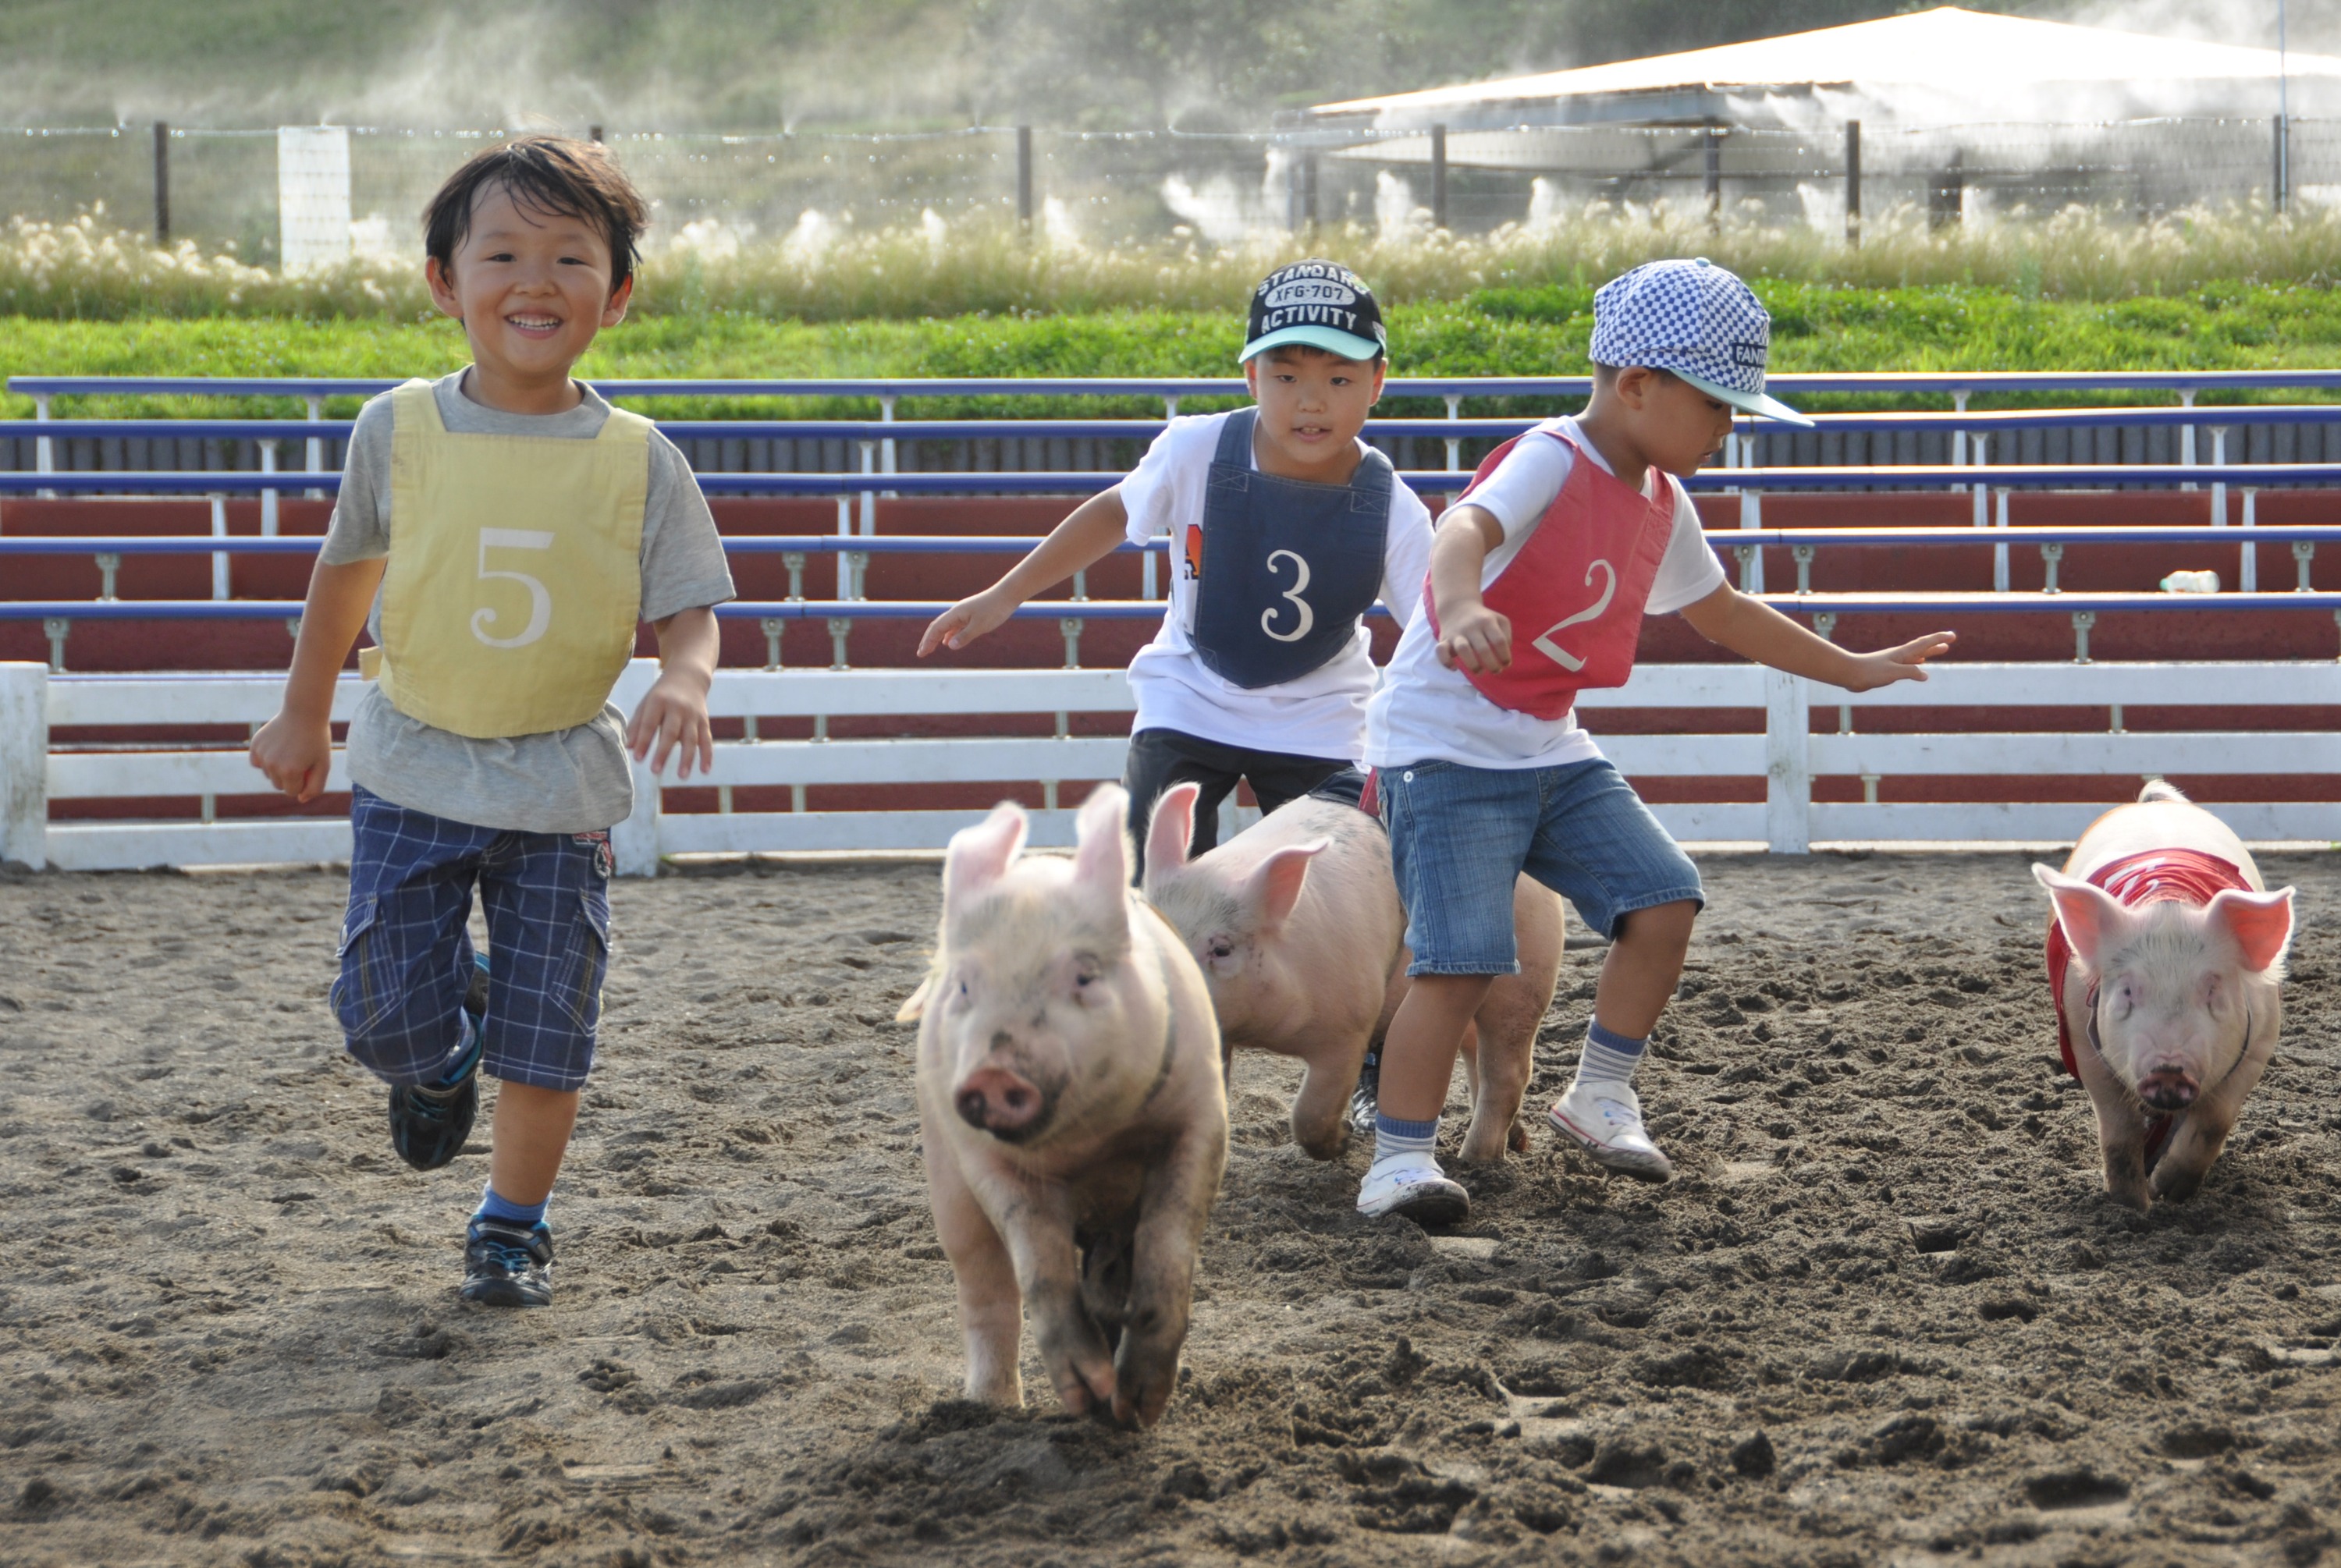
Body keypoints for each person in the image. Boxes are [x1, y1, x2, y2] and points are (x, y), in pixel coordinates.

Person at [1356, 258, 1956, 1224]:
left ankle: (1599, 1093)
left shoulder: (1659, 498)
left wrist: (1850, 667)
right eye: (1720, 407)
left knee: (1664, 896)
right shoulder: (1552, 455)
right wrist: (1461, 602)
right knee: (1459, 962)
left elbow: (1720, 610)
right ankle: (1398, 1160)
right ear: (1638, 387)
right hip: (1445, 746)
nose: (1728, 430)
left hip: (1546, 744)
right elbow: (1463, 527)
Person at [248, 135, 735, 1305]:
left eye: (572, 257)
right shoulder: (398, 428)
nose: (536, 280)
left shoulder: (640, 459)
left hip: (560, 785)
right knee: (380, 1018)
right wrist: (303, 713)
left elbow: (689, 609)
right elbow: (342, 581)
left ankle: (512, 1226)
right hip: (414, 764)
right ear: (444, 281)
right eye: (504, 252)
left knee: (551, 1029)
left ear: (615, 294)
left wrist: (688, 678)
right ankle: (434, 1060)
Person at [917, 259, 1432, 870]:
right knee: (1147, 867)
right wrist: (1006, 593)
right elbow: (1115, 510)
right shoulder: (1194, 449)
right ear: (1251, 377)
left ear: (1377, 382)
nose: (1311, 401)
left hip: (1320, 717)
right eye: (1286, 375)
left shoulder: (1392, 507)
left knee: (1345, 876)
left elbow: (1435, 623)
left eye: (1340, 380)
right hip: (1190, 695)